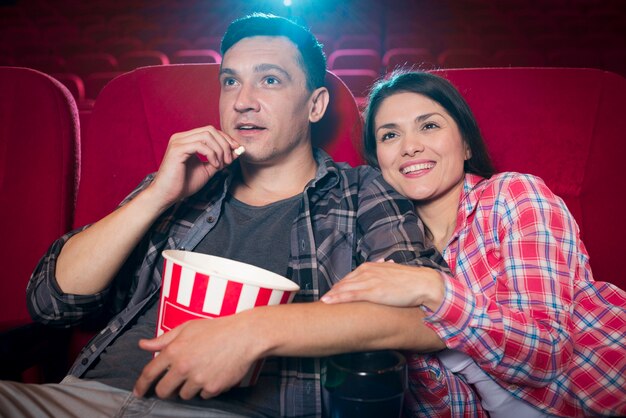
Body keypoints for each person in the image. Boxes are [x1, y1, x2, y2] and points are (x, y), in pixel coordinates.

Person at [0, 15, 449, 418]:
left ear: (315, 106)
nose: (242, 102)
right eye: (230, 82)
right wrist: (157, 195)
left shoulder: (362, 192)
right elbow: (50, 301)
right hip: (81, 398)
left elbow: (432, 316)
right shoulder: (179, 181)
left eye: (269, 81)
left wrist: (253, 331)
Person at [321, 70, 626, 417]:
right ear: (378, 164)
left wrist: (434, 290)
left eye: (429, 126)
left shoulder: (514, 195)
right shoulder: (390, 254)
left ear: (466, 144)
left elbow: (547, 354)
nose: (409, 147)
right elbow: (450, 404)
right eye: (390, 135)